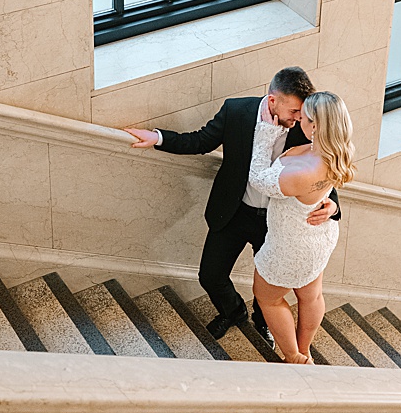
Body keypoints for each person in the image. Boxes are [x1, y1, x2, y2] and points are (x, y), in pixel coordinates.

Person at [126, 65, 339, 340]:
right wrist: (158, 138)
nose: (300, 119)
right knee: (210, 276)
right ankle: (234, 312)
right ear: (273, 100)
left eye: (303, 113)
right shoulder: (237, 111)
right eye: (294, 112)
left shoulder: (306, 125)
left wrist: (333, 203)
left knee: (269, 288)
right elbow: (201, 141)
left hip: (277, 223)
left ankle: (266, 322)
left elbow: (324, 161)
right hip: (233, 212)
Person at [245, 91, 354, 363]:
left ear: (315, 125)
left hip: (292, 245)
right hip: (318, 236)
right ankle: (304, 350)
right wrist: (332, 204)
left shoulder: (303, 172)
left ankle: (294, 356)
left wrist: (266, 131)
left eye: (303, 117)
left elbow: (258, 178)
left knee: (266, 298)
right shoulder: (337, 151)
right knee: (311, 295)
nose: (298, 120)